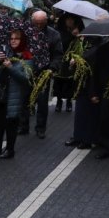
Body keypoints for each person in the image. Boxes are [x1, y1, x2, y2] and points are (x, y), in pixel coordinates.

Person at [0, 29, 34, 160]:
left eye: (16, 39)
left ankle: (10, 149)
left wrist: (11, 68)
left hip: (13, 95)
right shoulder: (5, 50)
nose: (13, 41)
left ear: (22, 40)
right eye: (11, 38)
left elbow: (25, 78)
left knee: (10, 124)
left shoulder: (28, 56)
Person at [28, 11, 63, 139]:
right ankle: (23, 125)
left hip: (44, 71)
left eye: (41, 23)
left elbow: (58, 54)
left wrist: (52, 68)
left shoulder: (54, 34)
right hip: (27, 70)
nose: (38, 26)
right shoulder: (26, 31)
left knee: (42, 101)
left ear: (46, 22)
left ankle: (40, 128)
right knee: (25, 99)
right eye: (36, 23)